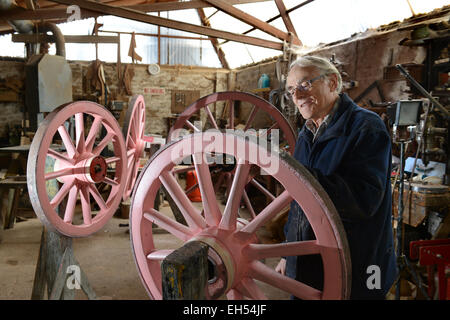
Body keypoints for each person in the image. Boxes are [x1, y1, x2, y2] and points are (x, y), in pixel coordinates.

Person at [275, 55, 397, 299]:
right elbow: (300, 203)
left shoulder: (366, 127)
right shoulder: (307, 133)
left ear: (332, 82)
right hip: (311, 256)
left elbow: (364, 201)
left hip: (356, 259)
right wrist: (288, 254)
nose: (296, 97)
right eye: (291, 90)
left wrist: (297, 173)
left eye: (305, 85)